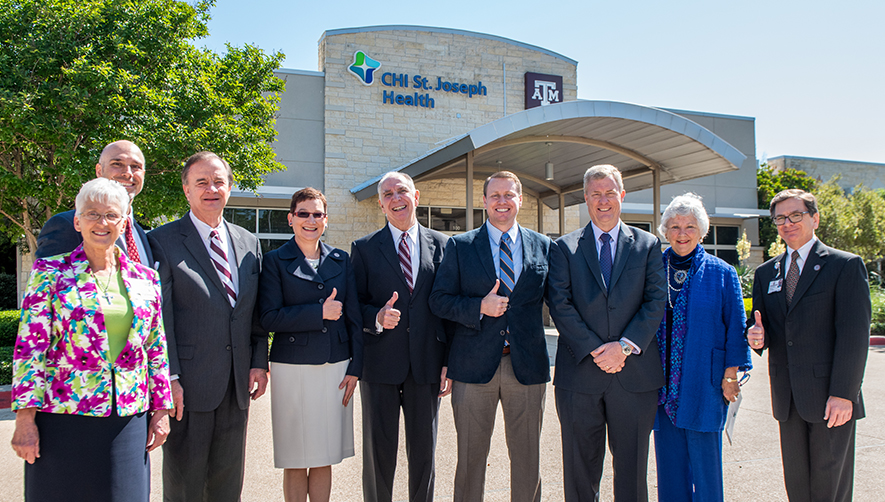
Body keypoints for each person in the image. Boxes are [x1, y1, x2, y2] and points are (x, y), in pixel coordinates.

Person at [10, 178, 173, 501]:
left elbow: (155, 348)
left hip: (127, 418)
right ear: (77, 220)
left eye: (111, 215)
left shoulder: (145, 279)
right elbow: (30, 349)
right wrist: (25, 419)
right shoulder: (49, 274)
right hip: (62, 418)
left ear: (124, 221)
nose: (102, 222)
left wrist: (161, 410)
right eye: (92, 214)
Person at [148, 151, 269, 502]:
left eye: (219, 181)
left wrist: (259, 361)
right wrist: (168, 378)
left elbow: (254, 313)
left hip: (236, 385)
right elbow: (160, 319)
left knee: (227, 484)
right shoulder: (163, 240)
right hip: (187, 385)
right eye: (201, 182)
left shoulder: (249, 243)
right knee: (185, 486)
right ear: (186, 190)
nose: (211, 188)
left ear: (230, 187)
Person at [430, 171, 551, 502]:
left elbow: (561, 301)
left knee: (528, 460)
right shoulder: (461, 246)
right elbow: (438, 300)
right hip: (471, 367)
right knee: (470, 460)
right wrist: (479, 306)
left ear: (520, 200)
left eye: (509, 195)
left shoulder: (543, 246)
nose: (502, 201)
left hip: (526, 367)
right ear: (484, 201)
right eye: (495, 195)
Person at [547, 164, 666, 501]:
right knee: (579, 473)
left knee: (632, 472)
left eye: (609, 193)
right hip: (580, 376)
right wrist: (599, 350)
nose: (603, 201)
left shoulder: (647, 245)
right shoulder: (564, 248)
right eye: (595, 194)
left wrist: (624, 348)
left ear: (622, 195)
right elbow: (560, 304)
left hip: (635, 377)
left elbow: (656, 301)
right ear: (585, 198)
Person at [746, 189, 869, 502]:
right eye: (780, 219)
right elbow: (764, 327)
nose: (788, 223)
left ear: (814, 218)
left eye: (795, 215)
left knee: (829, 487)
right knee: (797, 486)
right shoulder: (766, 273)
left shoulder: (845, 266)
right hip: (788, 398)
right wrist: (757, 338)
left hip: (831, 398)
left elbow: (854, 336)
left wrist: (844, 394)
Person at [257, 187, 362, 502]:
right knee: (295, 455)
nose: (311, 220)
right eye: (304, 213)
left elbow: (354, 317)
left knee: (323, 453)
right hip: (292, 367)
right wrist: (319, 313)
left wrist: (357, 367)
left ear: (326, 220)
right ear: (291, 219)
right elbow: (269, 318)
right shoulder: (275, 261)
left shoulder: (341, 260)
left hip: (336, 365)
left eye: (318, 214)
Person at [350, 172, 451, 502]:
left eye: (401, 191)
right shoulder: (364, 249)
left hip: (427, 365)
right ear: (380, 204)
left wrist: (449, 362)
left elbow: (449, 307)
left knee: (424, 453)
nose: (396, 198)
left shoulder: (444, 245)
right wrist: (377, 316)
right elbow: (355, 306)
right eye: (388, 194)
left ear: (416, 196)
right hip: (380, 365)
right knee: (379, 453)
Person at [651, 193, 752, 501]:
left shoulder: (723, 273)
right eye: (675, 226)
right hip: (660, 385)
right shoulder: (652, 270)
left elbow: (736, 327)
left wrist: (731, 375)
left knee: (706, 471)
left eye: (690, 226)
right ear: (665, 230)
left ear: (703, 230)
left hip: (704, 384)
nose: (682, 233)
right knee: (670, 469)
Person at [36, 140, 153, 266]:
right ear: (99, 171)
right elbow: (50, 280)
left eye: (136, 166)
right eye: (117, 164)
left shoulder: (141, 234)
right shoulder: (67, 225)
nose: (128, 173)